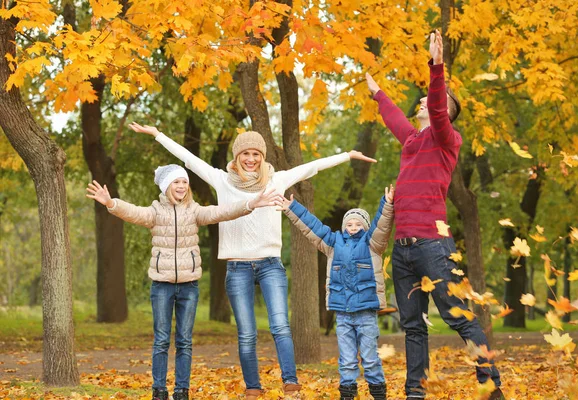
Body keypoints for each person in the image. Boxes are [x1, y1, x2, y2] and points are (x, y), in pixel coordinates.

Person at [129, 122, 377, 399]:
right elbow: (189, 159)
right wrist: (158, 135)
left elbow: (312, 167)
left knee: (280, 326)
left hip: (271, 264)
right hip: (237, 267)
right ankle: (253, 387)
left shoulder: (276, 180)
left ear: (263, 156)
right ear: (236, 157)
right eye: (245, 154)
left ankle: (290, 381)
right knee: (246, 332)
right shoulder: (221, 180)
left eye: (256, 154)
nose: (250, 159)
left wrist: (347, 155)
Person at [365, 30, 504, 400]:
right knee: (413, 326)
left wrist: (437, 66)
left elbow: (439, 107)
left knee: (458, 316)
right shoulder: (413, 141)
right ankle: (415, 392)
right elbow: (395, 119)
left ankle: (491, 387)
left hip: (433, 244)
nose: (424, 103)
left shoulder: (447, 139)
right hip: (404, 248)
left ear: (447, 112)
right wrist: (377, 92)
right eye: (423, 100)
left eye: (430, 101)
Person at [86, 165, 281, 400]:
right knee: (160, 339)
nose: (181, 186)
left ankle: (181, 390)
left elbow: (222, 212)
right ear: (167, 186)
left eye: (184, 182)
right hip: (162, 285)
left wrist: (250, 204)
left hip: (189, 285)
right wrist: (111, 203)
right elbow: (134, 212)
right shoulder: (156, 211)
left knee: (184, 341)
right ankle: (159, 390)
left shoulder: (194, 211)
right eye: (176, 182)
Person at [276, 185, 394, 400]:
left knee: (369, 359)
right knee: (347, 360)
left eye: (358, 224)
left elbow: (382, 226)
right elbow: (313, 228)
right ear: (343, 226)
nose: (353, 227)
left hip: (366, 312)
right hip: (343, 313)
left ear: (365, 226)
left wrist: (386, 203)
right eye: (349, 223)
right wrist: (291, 208)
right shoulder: (333, 243)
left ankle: (379, 395)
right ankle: (347, 394)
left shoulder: (372, 244)